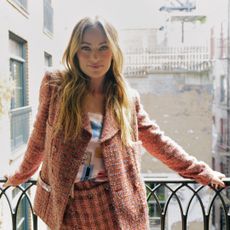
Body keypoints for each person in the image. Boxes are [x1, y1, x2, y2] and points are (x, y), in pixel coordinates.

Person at [3, 16, 226, 230]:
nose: (95, 58)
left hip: (112, 207)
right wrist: (20, 175)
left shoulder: (126, 98)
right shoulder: (55, 86)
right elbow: (39, 136)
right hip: (66, 206)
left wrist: (200, 171)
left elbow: (157, 141)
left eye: (103, 47)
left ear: (114, 51)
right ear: (75, 51)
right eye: (86, 48)